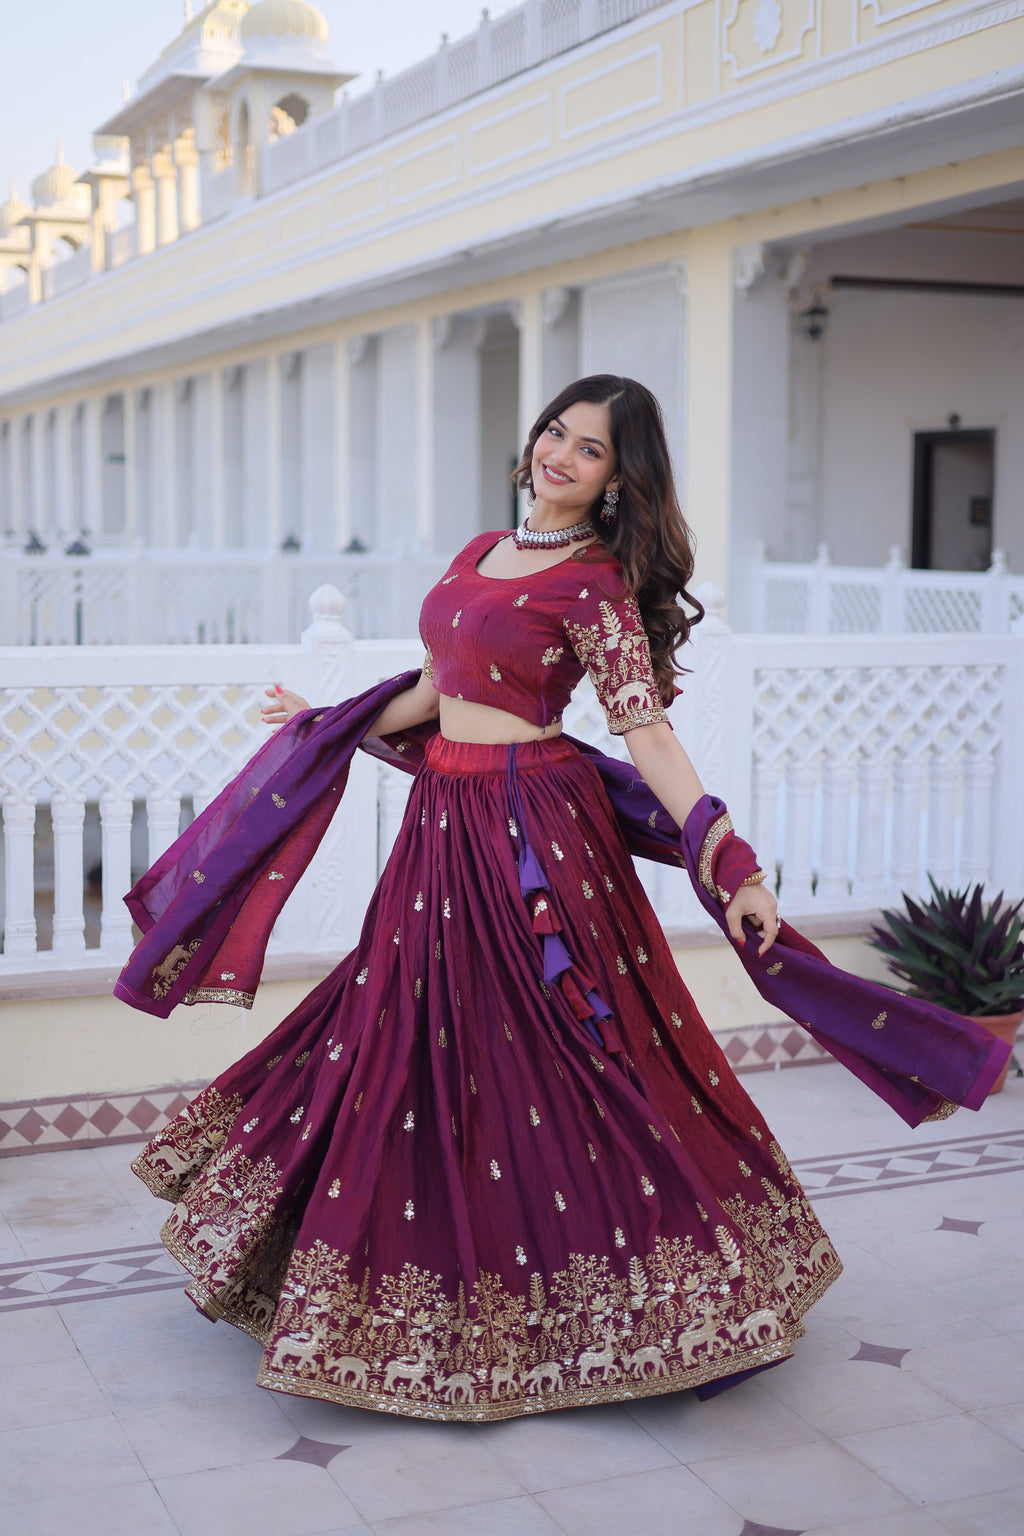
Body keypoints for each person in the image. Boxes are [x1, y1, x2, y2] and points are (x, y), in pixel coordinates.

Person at [119, 375, 1008, 1423]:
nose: (560, 454)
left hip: (534, 837)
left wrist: (739, 868)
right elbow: (437, 689)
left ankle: (678, 1300)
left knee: (578, 1052)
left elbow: (649, 735)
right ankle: (403, 1289)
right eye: (556, 432)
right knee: (405, 1036)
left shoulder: (594, 585)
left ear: (613, 482)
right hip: (441, 832)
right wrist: (326, 721)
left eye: (589, 450)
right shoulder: (476, 555)